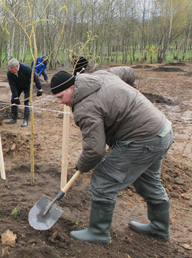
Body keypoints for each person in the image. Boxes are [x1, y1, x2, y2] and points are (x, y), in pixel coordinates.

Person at [50, 67, 173, 244]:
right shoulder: (101, 75)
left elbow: (95, 150)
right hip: (162, 131)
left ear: (72, 87)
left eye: (61, 97)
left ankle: (98, 232)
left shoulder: (85, 108)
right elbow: (128, 72)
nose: (61, 102)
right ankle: (160, 227)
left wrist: (81, 166)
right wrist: (132, 93)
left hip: (142, 139)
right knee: (147, 180)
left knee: (104, 177)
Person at [6, 58, 42, 127]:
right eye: (9, 68)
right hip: (17, 87)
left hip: (27, 86)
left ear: (16, 67)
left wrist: (40, 89)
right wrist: (16, 97)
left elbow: (35, 78)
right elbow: (12, 86)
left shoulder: (26, 68)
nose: (10, 69)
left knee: (27, 101)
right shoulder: (9, 73)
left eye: (11, 68)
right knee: (13, 100)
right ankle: (14, 118)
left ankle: (25, 120)